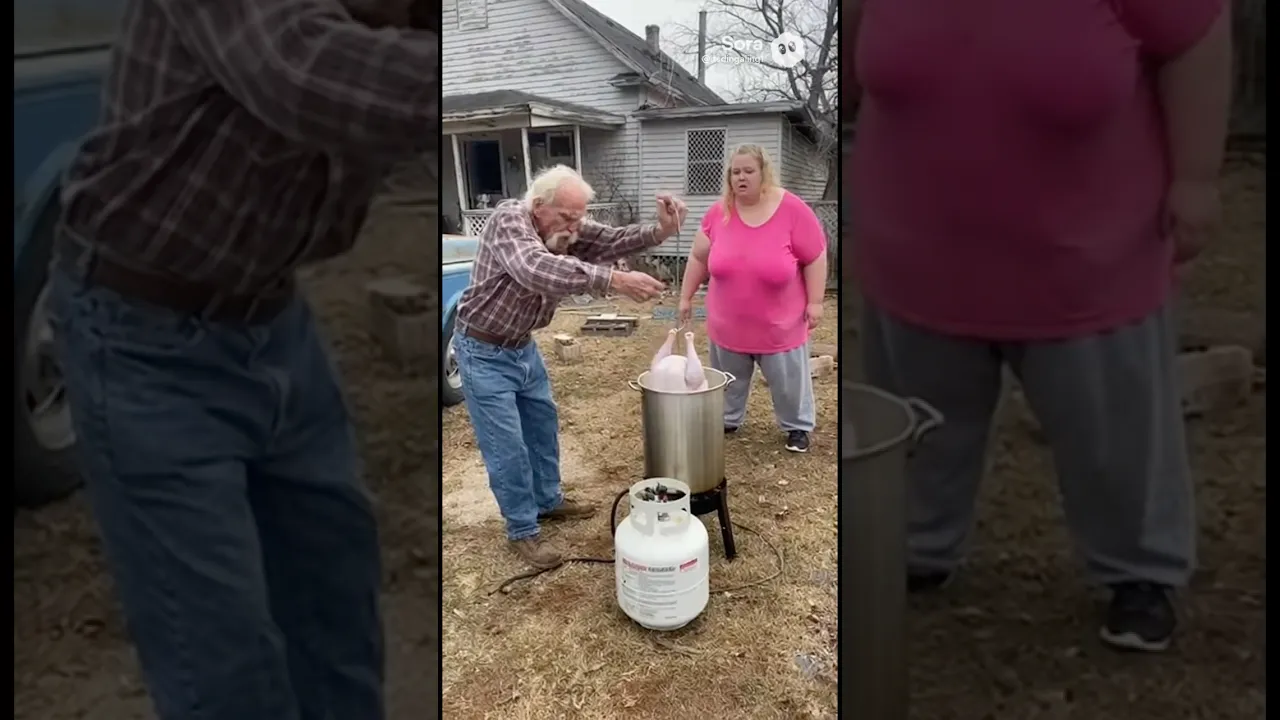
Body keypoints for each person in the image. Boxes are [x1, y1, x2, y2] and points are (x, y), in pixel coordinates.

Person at [47, 1, 439, 718]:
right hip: (138, 334)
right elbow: (303, 70)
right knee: (222, 668)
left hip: (273, 320)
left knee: (335, 612)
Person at [848, 0, 1231, 652]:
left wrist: (1196, 176)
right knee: (917, 428)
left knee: (1116, 436)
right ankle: (915, 547)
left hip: (1089, 258)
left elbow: (1199, 36)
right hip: (915, 252)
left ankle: (1140, 574)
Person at [453, 165, 686, 569]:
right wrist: (613, 281)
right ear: (539, 206)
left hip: (522, 348)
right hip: (483, 350)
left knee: (543, 427)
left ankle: (548, 501)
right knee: (506, 445)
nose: (576, 226)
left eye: (580, 216)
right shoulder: (508, 220)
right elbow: (535, 269)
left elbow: (611, 239)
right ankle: (523, 530)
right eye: (567, 217)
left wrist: (661, 232)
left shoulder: (568, 225)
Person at [677, 144, 829, 453]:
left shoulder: (793, 210)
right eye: (735, 172)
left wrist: (815, 301)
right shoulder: (719, 212)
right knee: (728, 379)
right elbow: (698, 257)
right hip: (728, 323)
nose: (741, 178)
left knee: (789, 383)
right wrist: (685, 297)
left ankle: (797, 426)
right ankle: (728, 418)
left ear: (763, 173)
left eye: (749, 171)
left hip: (780, 326)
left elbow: (815, 256)